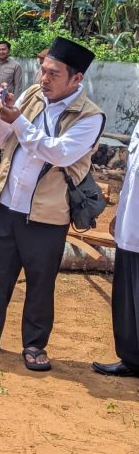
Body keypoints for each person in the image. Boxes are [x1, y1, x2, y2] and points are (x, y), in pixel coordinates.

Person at [0, 37, 105, 372]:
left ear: (76, 79)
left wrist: (18, 120)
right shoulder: (33, 95)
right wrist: (3, 114)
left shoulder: (90, 117)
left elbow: (58, 152)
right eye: (43, 70)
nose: (44, 78)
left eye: (54, 73)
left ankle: (35, 344)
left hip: (47, 215)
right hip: (7, 202)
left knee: (40, 282)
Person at [92, 119, 139, 378]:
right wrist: (120, 214)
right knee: (127, 301)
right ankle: (132, 358)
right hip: (131, 226)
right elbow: (132, 175)